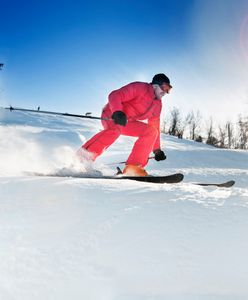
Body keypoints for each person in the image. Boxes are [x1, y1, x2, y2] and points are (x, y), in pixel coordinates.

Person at [78, 73, 172, 176]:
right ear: (155, 85)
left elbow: (155, 125)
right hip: (112, 114)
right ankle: (82, 159)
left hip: (127, 122)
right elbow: (115, 95)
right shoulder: (140, 88)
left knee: (151, 131)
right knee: (115, 130)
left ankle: (133, 168)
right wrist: (117, 112)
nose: (165, 92)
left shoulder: (157, 104)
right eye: (165, 88)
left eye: (168, 90)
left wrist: (157, 149)